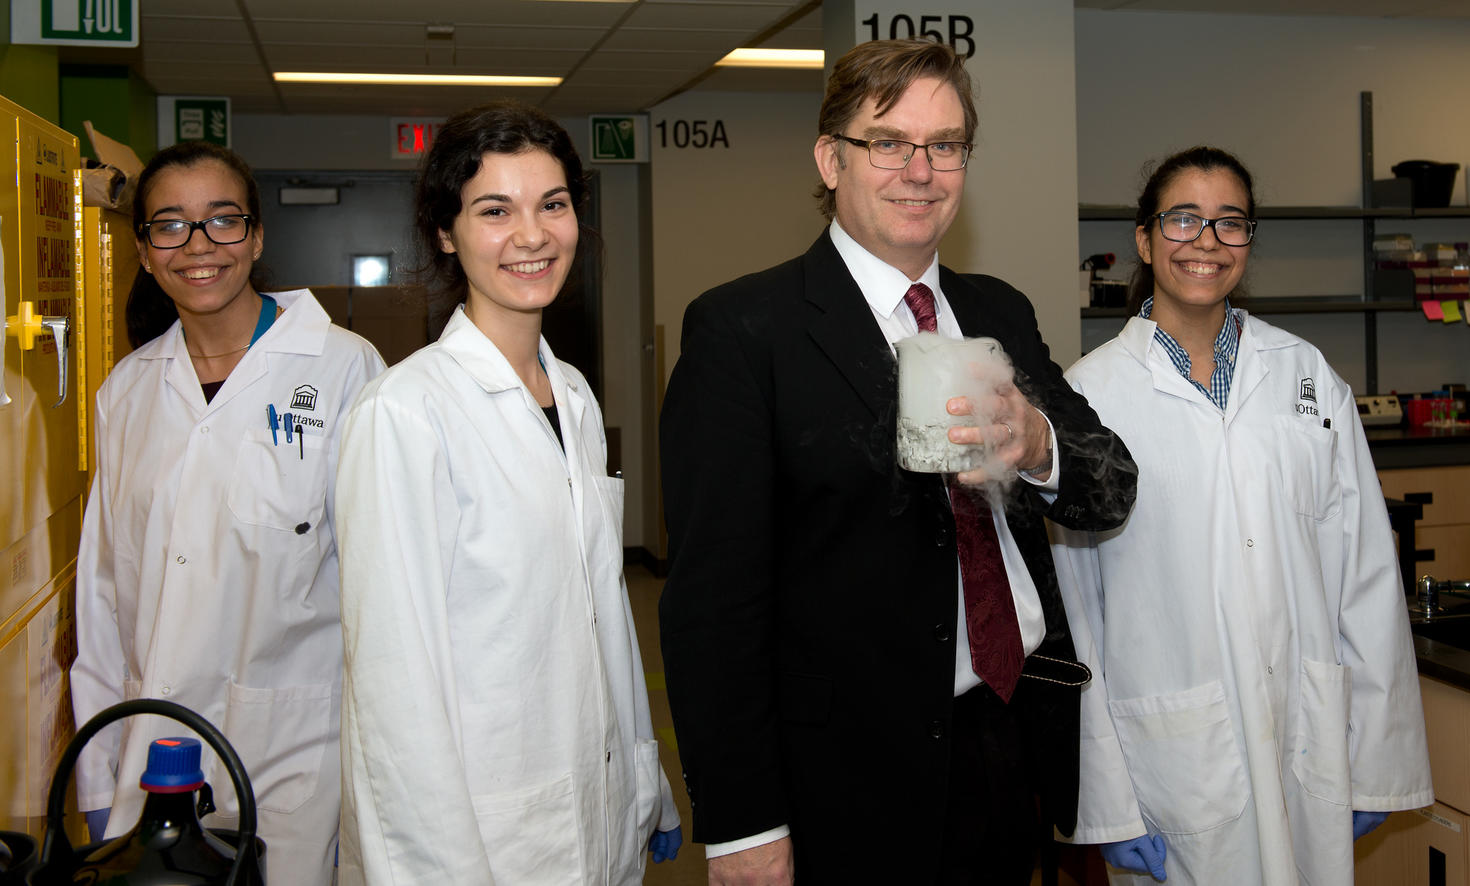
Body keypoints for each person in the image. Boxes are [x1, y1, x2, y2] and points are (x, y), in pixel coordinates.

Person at [658, 39, 1138, 885]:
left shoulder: (998, 312)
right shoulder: (745, 331)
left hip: (1010, 740)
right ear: (831, 158)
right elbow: (712, 604)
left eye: (945, 145)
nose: (920, 170)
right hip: (846, 776)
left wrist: (1037, 445)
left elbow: (1109, 490)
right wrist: (742, 822)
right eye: (888, 142)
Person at [1051, 146, 1433, 884]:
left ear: (1249, 241)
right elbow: (1078, 608)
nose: (1207, 241)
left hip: (1307, 732)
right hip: (1170, 756)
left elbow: (1364, 576)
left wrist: (1377, 757)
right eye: (1183, 219)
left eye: (1230, 222)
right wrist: (1104, 799)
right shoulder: (1089, 398)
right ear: (1144, 238)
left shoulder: (1307, 377)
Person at [333, 100, 681, 885]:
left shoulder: (576, 398)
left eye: (552, 205)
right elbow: (393, 690)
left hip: (595, 809)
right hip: (482, 839)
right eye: (495, 211)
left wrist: (644, 775)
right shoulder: (403, 413)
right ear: (444, 232)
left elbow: (602, 613)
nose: (532, 236)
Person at [70, 141, 386, 886]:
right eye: (170, 225)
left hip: (297, 753)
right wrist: (96, 777)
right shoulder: (126, 390)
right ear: (144, 251)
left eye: (222, 219)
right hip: (149, 753)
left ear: (257, 236)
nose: (199, 245)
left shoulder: (346, 369)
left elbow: (385, 591)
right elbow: (102, 594)